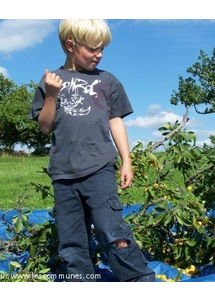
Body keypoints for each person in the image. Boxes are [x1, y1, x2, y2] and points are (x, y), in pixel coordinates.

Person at [29, 19, 155, 282]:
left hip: (99, 167)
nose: (99, 54)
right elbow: (44, 127)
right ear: (70, 45)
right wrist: (51, 95)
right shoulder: (51, 80)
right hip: (63, 173)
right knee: (72, 240)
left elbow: (115, 120)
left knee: (113, 231)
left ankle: (139, 282)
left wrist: (127, 161)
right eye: (93, 49)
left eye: (102, 49)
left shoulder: (107, 81)